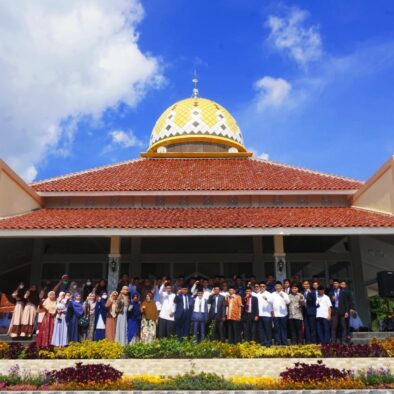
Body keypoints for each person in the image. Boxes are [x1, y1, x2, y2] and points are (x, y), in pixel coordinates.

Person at [271, 281, 290, 346]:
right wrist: (272, 311)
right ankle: (277, 342)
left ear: (281, 287)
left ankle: (284, 342)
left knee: (283, 329)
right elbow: (270, 303)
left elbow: (288, 302)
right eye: (276, 286)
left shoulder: (284, 294)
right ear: (275, 287)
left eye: (279, 286)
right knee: (276, 329)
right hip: (275, 314)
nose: (278, 287)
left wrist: (283, 296)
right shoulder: (272, 294)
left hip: (283, 314)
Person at [256, 282, 274, 347]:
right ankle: (263, 342)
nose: (262, 287)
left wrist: (267, 299)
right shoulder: (257, 294)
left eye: (263, 286)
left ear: (266, 287)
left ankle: (268, 342)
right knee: (261, 329)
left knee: (268, 329)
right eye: (261, 286)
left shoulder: (269, 294)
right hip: (259, 314)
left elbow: (272, 303)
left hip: (267, 314)